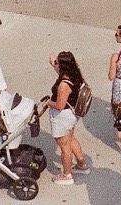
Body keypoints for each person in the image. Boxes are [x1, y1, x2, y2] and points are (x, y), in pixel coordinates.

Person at [43, 51, 90, 184]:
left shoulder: (64, 85)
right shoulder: (75, 75)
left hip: (63, 117)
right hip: (72, 115)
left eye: (57, 62)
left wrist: (48, 102)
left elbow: (59, 105)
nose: (55, 64)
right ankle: (82, 165)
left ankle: (66, 175)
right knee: (70, 139)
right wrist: (54, 64)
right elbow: (60, 73)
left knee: (64, 147)